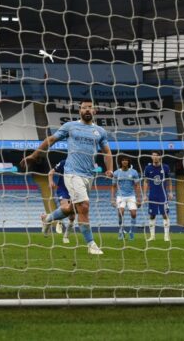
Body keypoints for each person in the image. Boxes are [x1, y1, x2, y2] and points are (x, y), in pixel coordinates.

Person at [24, 101, 113, 256]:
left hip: (89, 175)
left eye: (90, 107)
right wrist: (34, 155)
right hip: (72, 173)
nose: (87, 110)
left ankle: (48, 218)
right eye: (84, 108)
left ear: (95, 111)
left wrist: (110, 169)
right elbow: (51, 139)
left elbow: (107, 152)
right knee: (84, 206)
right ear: (80, 111)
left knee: (72, 209)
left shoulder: (100, 131)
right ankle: (91, 245)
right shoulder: (70, 126)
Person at [143, 152, 173, 243]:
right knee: (152, 215)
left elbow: (169, 180)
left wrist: (170, 192)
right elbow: (145, 181)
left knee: (165, 214)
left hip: (163, 195)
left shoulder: (165, 167)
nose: (155, 157)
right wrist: (145, 194)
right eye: (153, 155)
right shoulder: (148, 168)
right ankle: (152, 236)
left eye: (157, 155)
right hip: (152, 195)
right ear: (151, 157)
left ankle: (166, 237)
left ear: (160, 157)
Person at [46, 157, 76, 243]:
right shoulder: (64, 162)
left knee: (72, 217)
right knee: (65, 207)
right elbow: (51, 172)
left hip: (74, 191)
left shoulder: (80, 164)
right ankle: (49, 220)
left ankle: (65, 236)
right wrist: (50, 181)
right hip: (63, 190)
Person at [112, 157, 142, 241]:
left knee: (133, 214)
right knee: (120, 212)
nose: (124, 161)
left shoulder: (134, 172)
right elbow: (113, 186)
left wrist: (138, 198)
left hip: (131, 196)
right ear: (120, 162)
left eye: (126, 160)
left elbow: (137, 185)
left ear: (128, 162)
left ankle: (131, 232)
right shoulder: (116, 173)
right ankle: (121, 230)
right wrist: (112, 198)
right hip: (120, 196)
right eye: (123, 160)